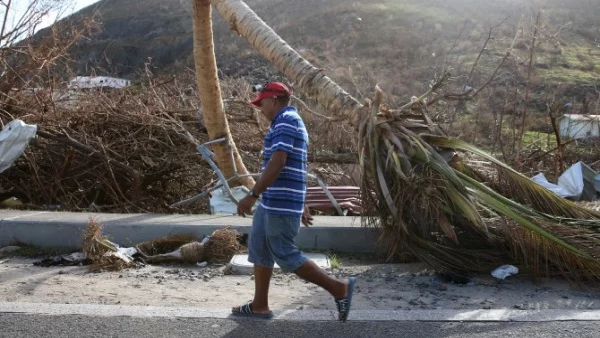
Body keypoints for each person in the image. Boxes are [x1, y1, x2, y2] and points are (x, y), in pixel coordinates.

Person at [231, 82, 356, 322]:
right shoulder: (283, 122)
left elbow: (278, 162)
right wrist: (303, 202)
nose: (260, 109)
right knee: (260, 249)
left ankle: (339, 289)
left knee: (284, 252)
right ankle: (259, 306)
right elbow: (296, 167)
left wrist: (252, 194)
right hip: (273, 201)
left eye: (262, 103)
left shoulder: (287, 121)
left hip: (278, 203)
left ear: (274, 100)